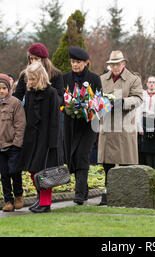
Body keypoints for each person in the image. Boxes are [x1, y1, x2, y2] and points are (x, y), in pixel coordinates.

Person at [98, 50, 143, 205]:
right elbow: (97, 98)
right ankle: (107, 194)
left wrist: (123, 102)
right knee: (107, 163)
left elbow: (138, 98)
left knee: (126, 163)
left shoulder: (133, 79)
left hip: (125, 125)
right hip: (108, 125)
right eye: (112, 64)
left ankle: (127, 195)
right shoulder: (102, 79)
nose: (115, 67)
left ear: (123, 63)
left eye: (117, 64)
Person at [18, 62, 61, 213]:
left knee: (44, 172)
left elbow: (55, 118)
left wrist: (53, 142)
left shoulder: (51, 93)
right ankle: (39, 199)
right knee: (33, 171)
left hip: (46, 139)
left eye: (33, 79)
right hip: (31, 137)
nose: (30, 82)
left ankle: (45, 202)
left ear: (41, 77)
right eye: (29, 79)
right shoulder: (30, 93)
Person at [62, 46, 102, 205]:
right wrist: (67, 107)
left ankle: (79, 194)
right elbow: (61, 99)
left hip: (88, 124)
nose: (75, 65)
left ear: (86, 63)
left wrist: (87, 107)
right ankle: (84, 191)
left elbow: (99, 100)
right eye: (72, 62)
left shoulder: (94, 78)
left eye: (78, 62)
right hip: (71, 123)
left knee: (82, 155)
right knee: (71, 157)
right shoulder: (65, 78)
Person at [0, 73, 26, 212]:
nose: (1, 91)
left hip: (13, 145)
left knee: (14, 171)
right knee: (4, 174)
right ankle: (8, 200)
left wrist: (17, 143)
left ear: (8, 89)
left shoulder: (15, 103)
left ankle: (18, 195)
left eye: (4, 88)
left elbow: (20, 124)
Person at [136, 76, 155, 169]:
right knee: (145, 146)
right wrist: (140, 127)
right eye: (150, 82)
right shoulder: (142, 94)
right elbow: (138, 111)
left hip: (153, 120)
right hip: (144, 119)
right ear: (146, 84)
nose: (151, 84)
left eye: (153, 82)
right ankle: (146, 167)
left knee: (154, 147)